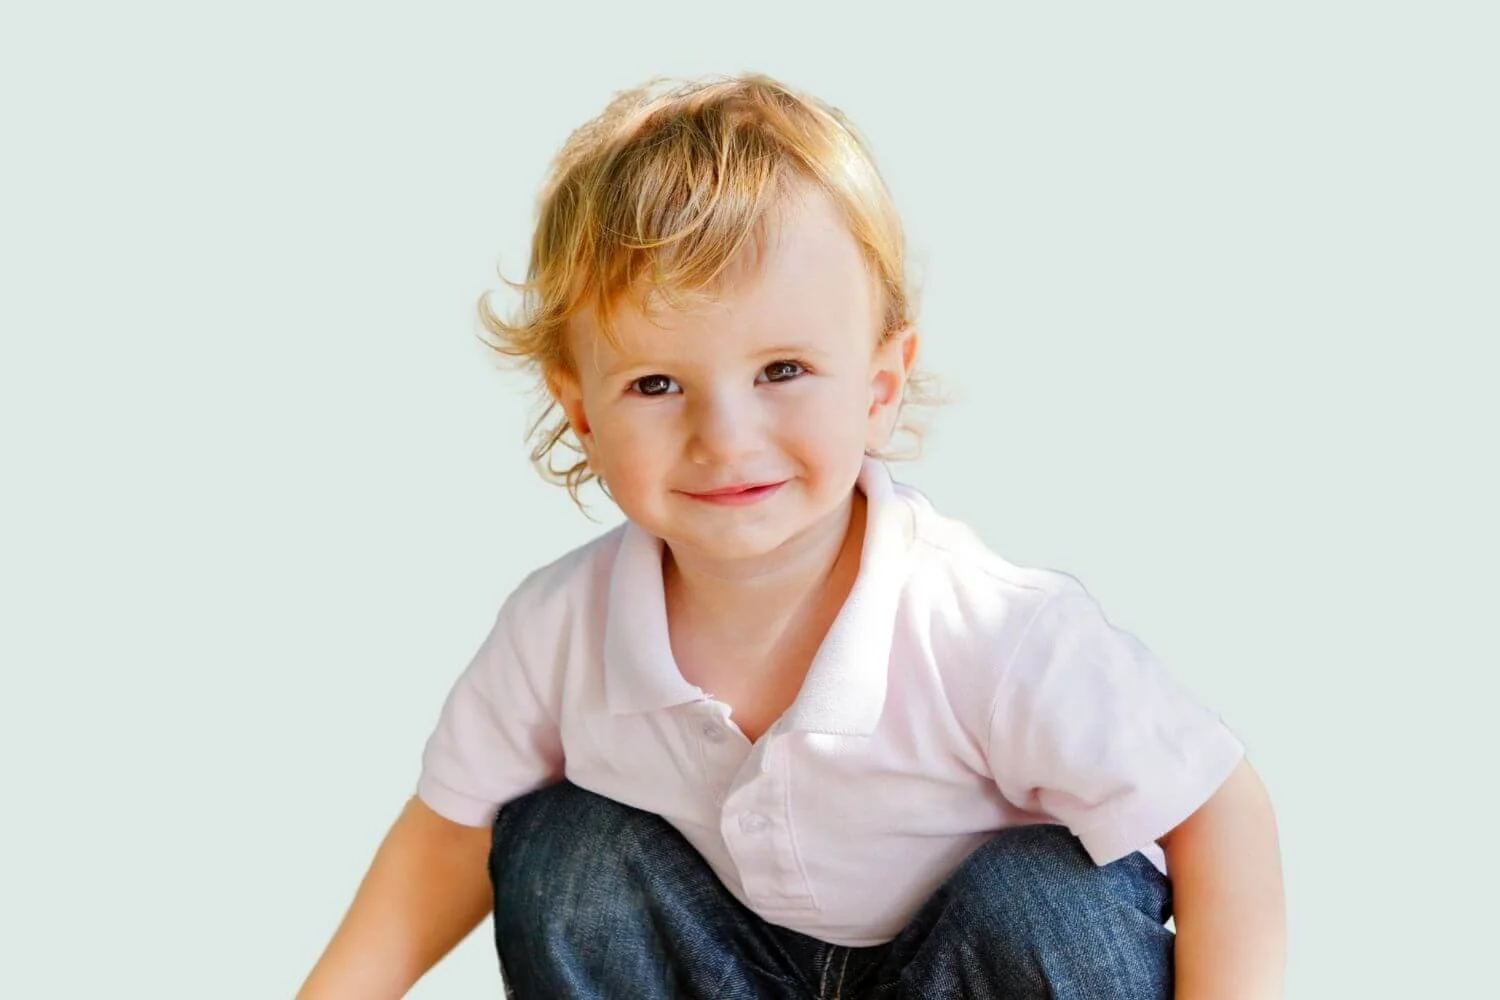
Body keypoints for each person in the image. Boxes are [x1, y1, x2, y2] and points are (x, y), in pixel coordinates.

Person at [298, 72, 1286, 1000]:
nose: (724, 438)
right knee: (567, 851)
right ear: (583, 412)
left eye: (782, 370)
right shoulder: (560, 629)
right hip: (727, 962)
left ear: (879, 386)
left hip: (972, 967)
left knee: (1042, 896)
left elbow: (1216, 808)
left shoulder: (987, 629)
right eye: (656, 383)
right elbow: (444, 837)